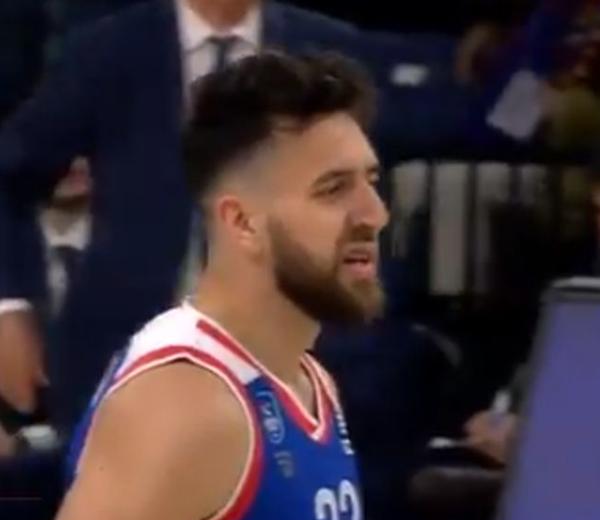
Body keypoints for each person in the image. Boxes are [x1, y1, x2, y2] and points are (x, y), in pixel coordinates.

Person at [20, 50, 389, 520]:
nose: (375, 213)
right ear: (242, 222)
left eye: (371, 181)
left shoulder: (309, 381)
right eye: (333, 188)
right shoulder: (183, 403)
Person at [0, 0, 431, 437]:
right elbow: (8, 175)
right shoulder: (109, 50)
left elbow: (388, 177)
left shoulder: (331, 50)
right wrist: (10, 307)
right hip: (129, 367)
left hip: (301, 372)